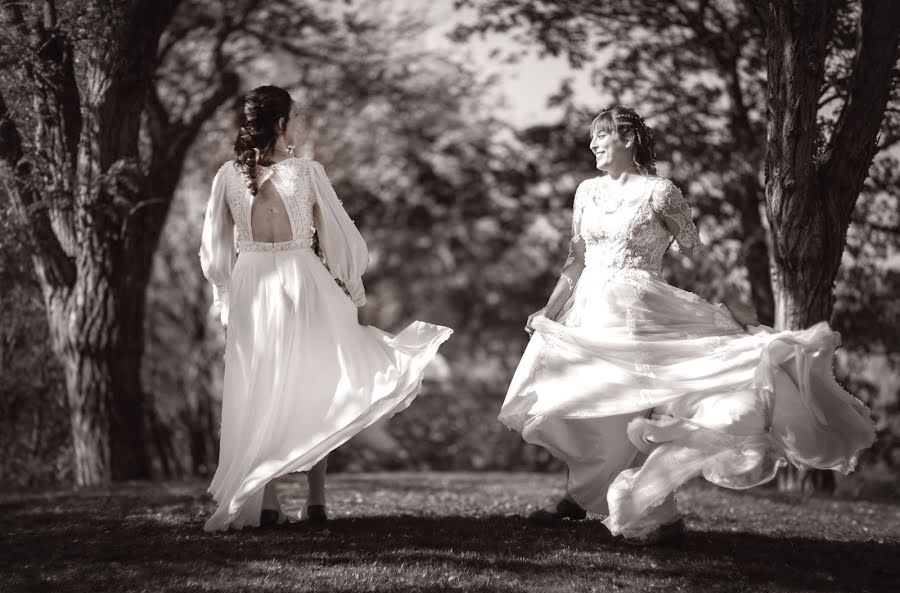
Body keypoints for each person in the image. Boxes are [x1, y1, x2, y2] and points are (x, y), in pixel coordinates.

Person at [499, 106, 875, 544]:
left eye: (601, 136)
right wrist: (549, 309)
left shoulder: (661, 194)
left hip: (638, 315)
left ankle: (640, 510)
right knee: (583, 407)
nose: (593, 145)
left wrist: (739, 312)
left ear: (628, 139)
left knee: (626, 409)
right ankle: (584, 496)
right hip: (588, 312)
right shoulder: (585, 192)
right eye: (592, 138)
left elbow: (701, 259)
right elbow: (577, 260)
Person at [199, 85, 452, 532]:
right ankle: (316, 501)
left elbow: (213, 251)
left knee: (261, 386)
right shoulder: (307, 172)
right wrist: (350, 285)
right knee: (319, 380)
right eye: (294, 118)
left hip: (252, 284)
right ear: (281, 124)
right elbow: (340, 234)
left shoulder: (226, 177)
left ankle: (269, 503)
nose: (297, 125)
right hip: (303, 281)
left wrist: (223, 296)